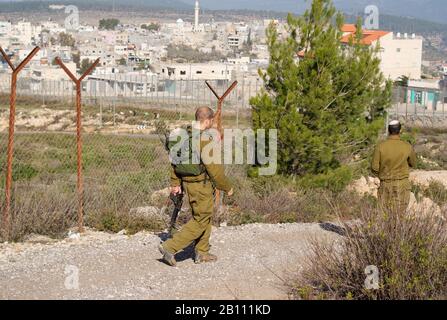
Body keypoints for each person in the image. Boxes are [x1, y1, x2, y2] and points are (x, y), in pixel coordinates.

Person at [159, 106, 234, 266]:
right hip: (201, 185)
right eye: (212, 121)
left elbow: (174, 161)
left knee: (204, 216)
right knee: (201, 219)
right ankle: (170, 247)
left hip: (187, 184)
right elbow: (216, 171)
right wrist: (227, 187)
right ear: (207, 120)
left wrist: (175, 182)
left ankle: (202, 252)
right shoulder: (204, 139)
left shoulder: (184, 135)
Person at [371, 120, 416, 214]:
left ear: (388, 130)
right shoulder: (407, 146)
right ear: (400, 130)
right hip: (402, 185)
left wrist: (383, 175)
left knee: (385, 215)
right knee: (399, 216)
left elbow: (374, 168)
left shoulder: (380, 146)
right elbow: (413, 163)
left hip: (385, 185)